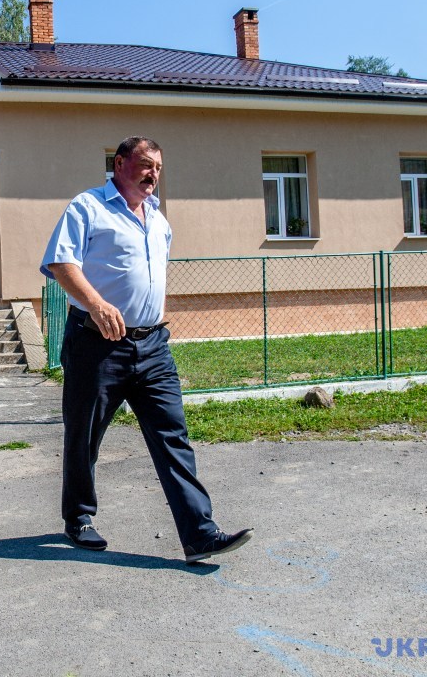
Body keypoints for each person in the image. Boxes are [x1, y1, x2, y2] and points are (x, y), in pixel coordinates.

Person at [40, 136, 253, 564]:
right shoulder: (88, 207)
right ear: (120, 163)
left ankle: (200, 534)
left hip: (153, 345)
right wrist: (97, 304)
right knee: (84, 436)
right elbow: (61, 262)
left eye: (158, 167)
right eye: (145, 164)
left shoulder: (158, 220)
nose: (153, 173)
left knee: (173, 436)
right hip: (97, 344)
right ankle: (78, 518)